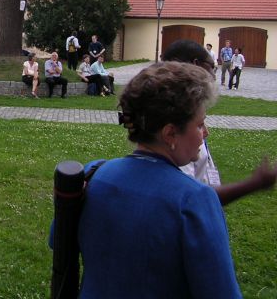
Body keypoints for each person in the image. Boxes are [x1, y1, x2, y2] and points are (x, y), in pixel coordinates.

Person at [78, 62, 241, 297]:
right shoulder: (194, 200)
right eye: (200, 124)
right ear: (170, 134)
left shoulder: (93, 174)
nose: (206, 133)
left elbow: (60, 243)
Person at [161, 39, 277, 204]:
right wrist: (253, 184)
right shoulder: (176, 122)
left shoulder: (186, 110)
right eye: (212, 67)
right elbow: (189, 197)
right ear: (196, 65)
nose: (214, 75)